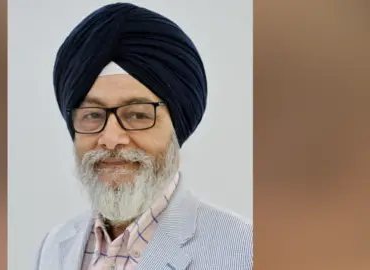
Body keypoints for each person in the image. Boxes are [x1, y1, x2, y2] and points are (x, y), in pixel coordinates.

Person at [36, 3, 252, 269]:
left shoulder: (243, 252)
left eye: (137, 115)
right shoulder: (56, 245)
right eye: (93, 115)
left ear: (176, 126)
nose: (111, 138)